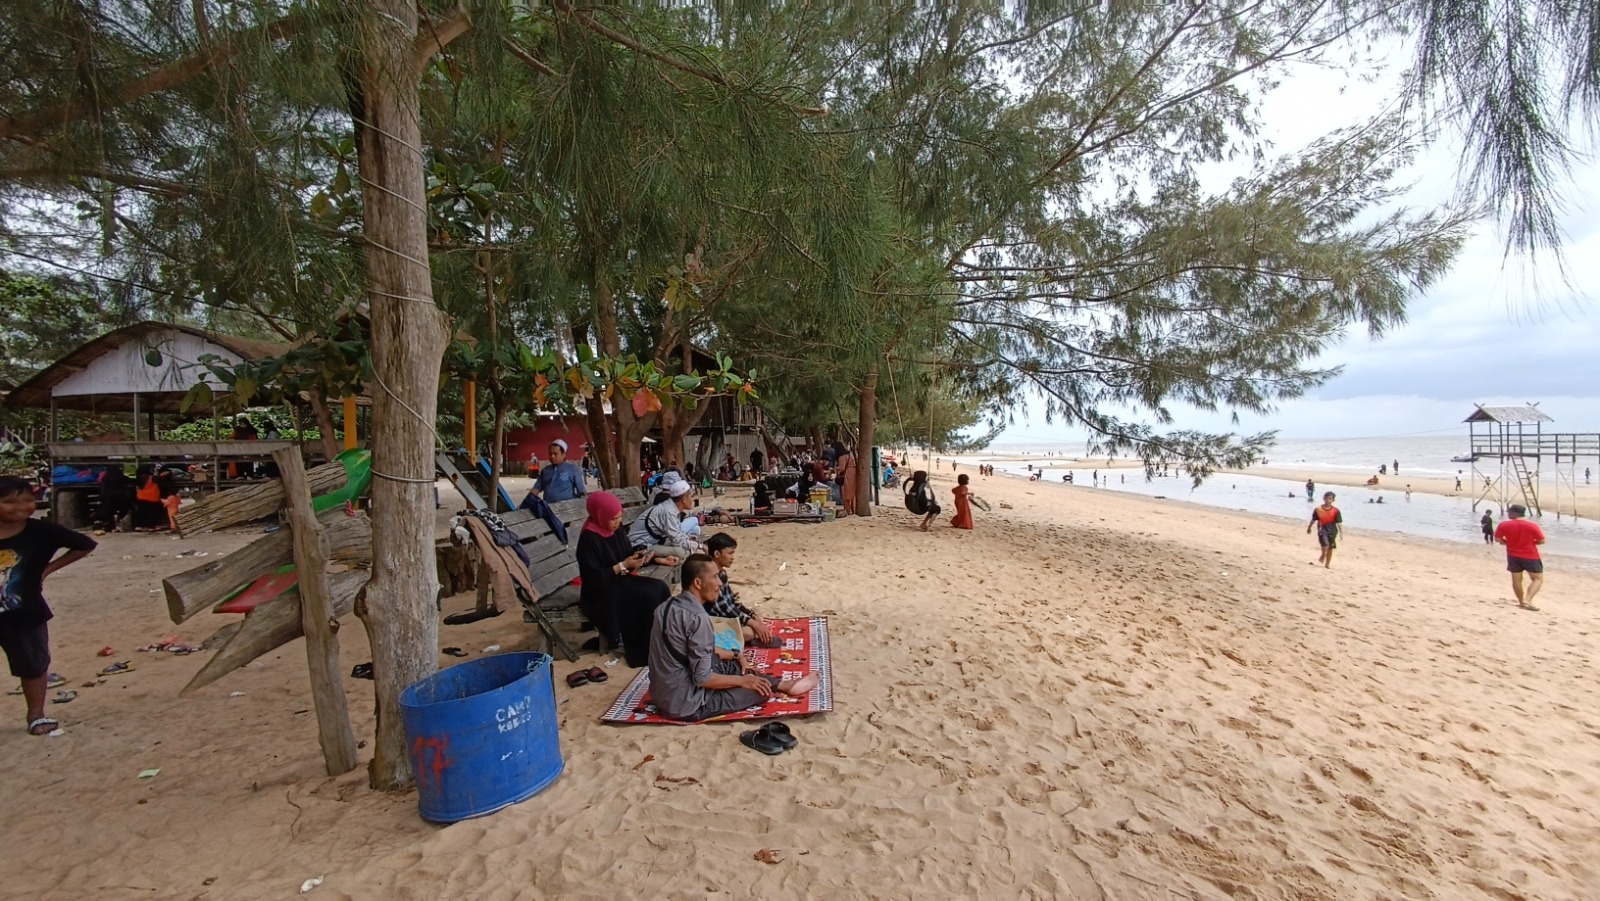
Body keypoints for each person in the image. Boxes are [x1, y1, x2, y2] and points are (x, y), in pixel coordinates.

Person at [646, 555, 819, 722]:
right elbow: (702, 679)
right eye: (714, 577)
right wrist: (743, 681)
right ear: (698, 583)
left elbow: (694, 650)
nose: (720, 583)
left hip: (662, 694)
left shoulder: (664, 607)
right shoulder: (698, 618)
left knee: (730, 663)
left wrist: (737, 655)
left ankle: (783, 684)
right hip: (686, 705)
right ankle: (776, 685)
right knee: (760, 691)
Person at [0, 476, 97, 735]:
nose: (21, 507)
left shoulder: (42, 532)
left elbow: (85, 545)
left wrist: (48, 569)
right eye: (9, 502)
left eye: (28, 500)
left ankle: (36, 714)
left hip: (25, 615)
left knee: (33, 665)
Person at [575, 492, 674, 664]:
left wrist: (648, 558)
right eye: (613, 518)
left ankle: (660, 642)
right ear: (601, 515)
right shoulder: (588, 539)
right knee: (647, 595)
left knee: (659, 587)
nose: (618, 522)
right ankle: (640, 650)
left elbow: (627, 555)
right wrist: (623, 566)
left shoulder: (616, 530)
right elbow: (594, 578)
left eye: (620, 517)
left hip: (621, 581)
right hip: (600, 593)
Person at [704, 533, 774, 645]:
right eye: (730, 553)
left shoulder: (721, 573)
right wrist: (752, 623)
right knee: (749, 632)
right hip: (710, 622)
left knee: (757, 618)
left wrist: (752, 616)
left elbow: (731, 602)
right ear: (717, 554)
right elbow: (724, 608)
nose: (733, 558)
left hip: (722, 618)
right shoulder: (709, 576)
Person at [628, 480, 703, 558]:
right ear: (684, 499)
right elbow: (677, 541)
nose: (692, 500)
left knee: (687, 547)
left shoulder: (673, 508)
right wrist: (699, 546)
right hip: (641, 545)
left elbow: (678, 532)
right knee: (681, 552)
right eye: (691, 497)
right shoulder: (668, 511)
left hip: (655, 541)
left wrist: (688, 539)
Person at [1494, 504, 1546, 611]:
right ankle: (1528, 599)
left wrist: (1507, 543)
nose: (1508, 513)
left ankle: (1521, 601)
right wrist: (1531, 543)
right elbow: (1542, 540)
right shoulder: (1532, 526)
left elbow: (1498, 539)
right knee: (1537, 579)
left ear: (1515, 513)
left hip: (1513, 555)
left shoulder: (1504, 525)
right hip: (1530, 555)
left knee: (1517, 580)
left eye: (1509, 512)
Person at [526, 439, 587, 504]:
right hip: (548, 509)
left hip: (567, 510)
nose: (552, 456)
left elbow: (582, 492)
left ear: (564, 454)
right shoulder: (545, 471)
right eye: (550, 453)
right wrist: (524, 504)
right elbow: (535, 489)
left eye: (555, 454)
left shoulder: (573, 469)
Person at [1307, 491, 1342, 568]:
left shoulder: (1336, 511)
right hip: (1322, 528)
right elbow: (1313, 519)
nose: (1327, 500)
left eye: (1330, 499)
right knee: (1325, 544)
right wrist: (1309, 527)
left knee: (1330, 547)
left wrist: (1341, 533)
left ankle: (1327, 564)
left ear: (1333, 500)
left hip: (1332, 530)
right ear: (1323, 498)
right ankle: (1323, 555)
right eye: (1326, 498)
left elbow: (1339, 522)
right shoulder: (1318, 509)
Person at [834, 442, 857, 515]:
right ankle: (854, 509)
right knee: (852, 493)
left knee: (845, 493)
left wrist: (834, 469)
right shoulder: (850, 454)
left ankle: (848, 509)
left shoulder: (842, 457)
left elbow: (842, 468)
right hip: (853, 474)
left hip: (847, 475)